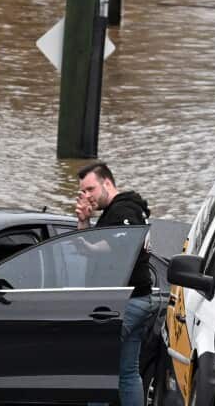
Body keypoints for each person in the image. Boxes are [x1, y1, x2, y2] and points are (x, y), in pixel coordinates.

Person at [75, 161, 153, 406]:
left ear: (107, 183)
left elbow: (109, 249)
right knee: (127, 372)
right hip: (133, 300)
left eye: (91, 189)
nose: (87, 196)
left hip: (127, 302)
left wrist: (88, 233)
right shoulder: (115, 213)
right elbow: (90, 250)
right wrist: (83, 223)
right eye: (83, 191)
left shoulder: (124, 211)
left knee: (96, 366)